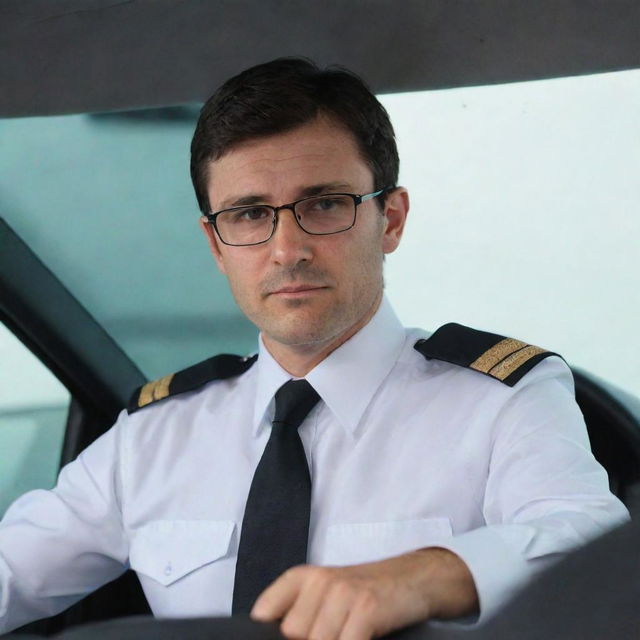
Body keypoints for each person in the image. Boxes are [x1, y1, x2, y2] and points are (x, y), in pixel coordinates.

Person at [0, 58, 629, 639]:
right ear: (217, 246)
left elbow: (589, 541)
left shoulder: (501, 402)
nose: (287, 248)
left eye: (324, 204)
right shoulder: (152, 436)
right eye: (249, 214)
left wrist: (419, 576)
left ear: (392, 219)